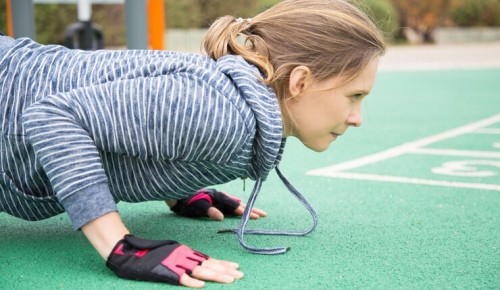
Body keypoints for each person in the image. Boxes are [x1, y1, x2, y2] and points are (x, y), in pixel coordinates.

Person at [0, 0, 385, 288]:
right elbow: (52, 117)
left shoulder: (231, 106)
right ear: (299, 82)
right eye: (355, 96)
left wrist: (176, 188)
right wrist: (120, 246)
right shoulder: (221, 112)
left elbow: (145, 128)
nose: (357, 118)